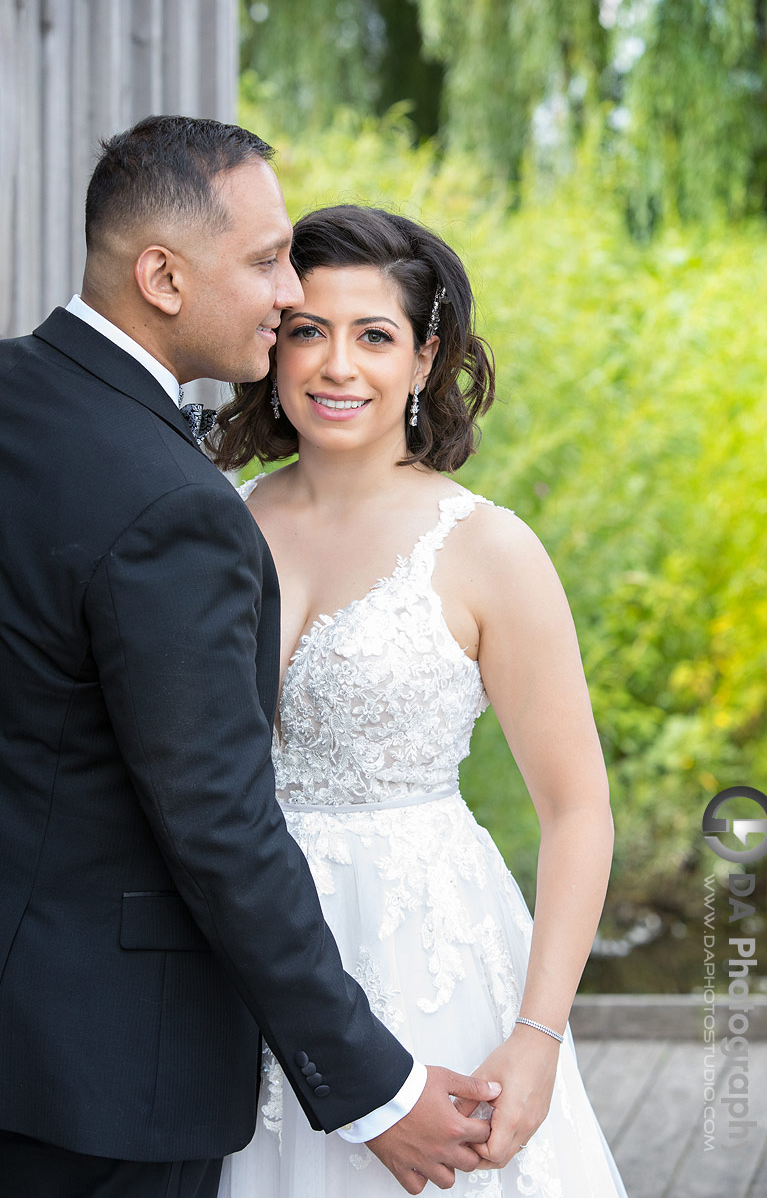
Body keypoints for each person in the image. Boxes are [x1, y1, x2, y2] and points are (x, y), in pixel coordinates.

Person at [0, 118, 502, 1198]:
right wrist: (376, 1087)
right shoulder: (175, 506)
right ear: (164, 276)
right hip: (108, 1072)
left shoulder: (16, 396)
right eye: (268, 260)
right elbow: (217, 822)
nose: (288, 295)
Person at [212, 205, 629, 1196]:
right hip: (249, 950)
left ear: (425, 356)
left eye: (374, 335)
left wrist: (537, 1037)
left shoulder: (487, 547)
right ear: (274, 344)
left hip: (429, 951)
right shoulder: (220, 520)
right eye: (308, 330)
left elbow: (578, 811)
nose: (335, 365)